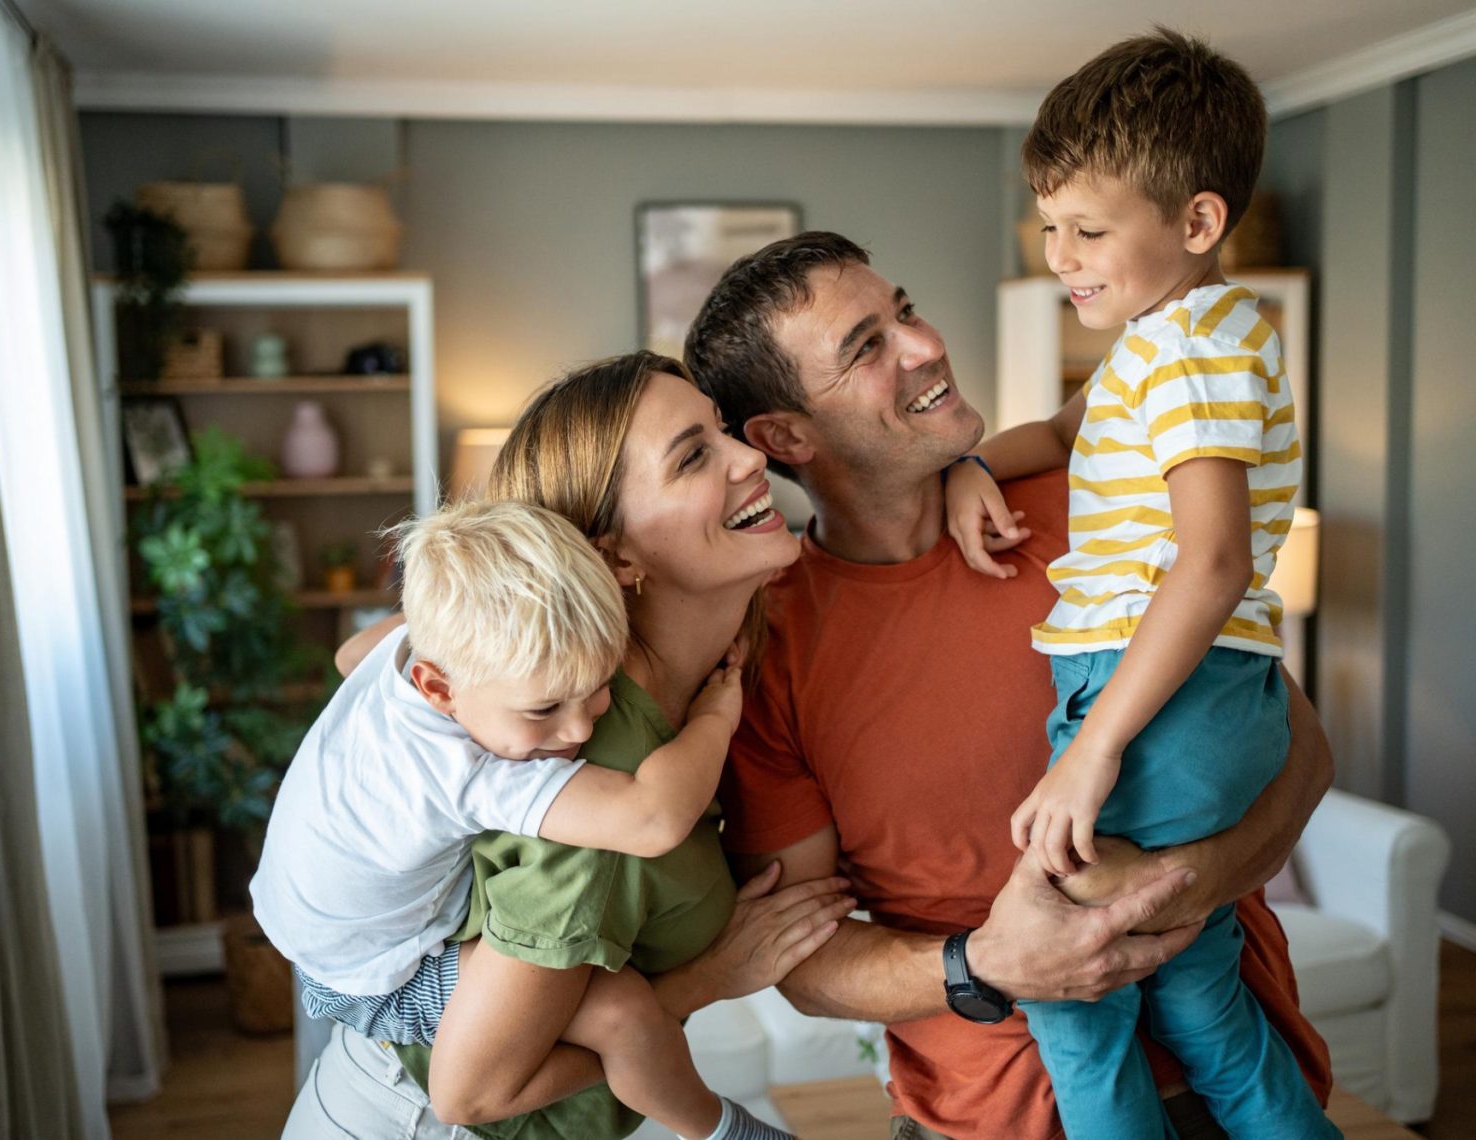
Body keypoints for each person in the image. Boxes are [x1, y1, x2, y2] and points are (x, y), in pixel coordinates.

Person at [684, 230, 1334, 1139]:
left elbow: (1299, 748)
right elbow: (808, 959)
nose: (925, 344)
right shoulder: (768, 651)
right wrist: (988, 961)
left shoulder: (1101, 503)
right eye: (866, 346)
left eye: (904, 309)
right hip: (983, 1114)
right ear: (785, 436)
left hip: (1233, 1085)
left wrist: (1194, 882)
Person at [931, 29, 1339, 1139]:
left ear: (1196, 223)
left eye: (1086, 229)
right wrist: (969, 463)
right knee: (1200, 1001)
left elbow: (1210, 562)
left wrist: (1093, 752)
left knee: (1076, 998)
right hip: (1207, 698)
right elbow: (1063, 432)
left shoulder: (1188, 353)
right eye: (1048, 225)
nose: (1058, 253)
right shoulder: (1173, 338)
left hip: (1161, 698)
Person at [282, 352, 855, 1140]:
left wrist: (969, 473)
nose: (753, 455)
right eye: (694, 455)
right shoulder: (584, 778)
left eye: (723, 430)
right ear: (613, 557)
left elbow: (364, 654)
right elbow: (473, 1093)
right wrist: (712, 978)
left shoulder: (664, 678)